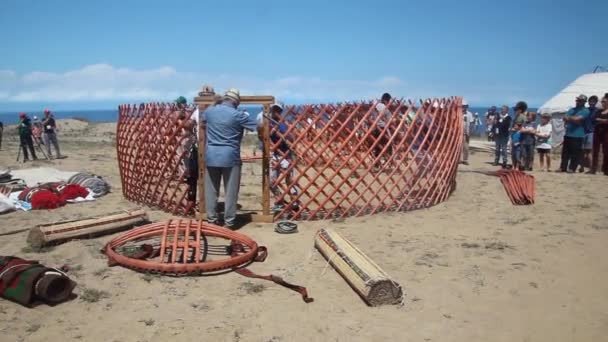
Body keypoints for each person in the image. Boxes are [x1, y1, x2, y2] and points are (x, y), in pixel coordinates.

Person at [201, 88, 257, 228]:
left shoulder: (210, 111)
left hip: (211, 155)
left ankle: (212, 220)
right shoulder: (238, 115)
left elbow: (203, 122)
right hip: (230, 157)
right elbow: (257, 126)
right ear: (236, 101)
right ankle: (229, 222)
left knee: (211, 190)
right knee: (231, 191)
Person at [256, 102, 300, 212]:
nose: (275, 111)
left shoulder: (282, 123)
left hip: (285, 155)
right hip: (273, 155)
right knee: (271, 181)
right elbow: (260, 134)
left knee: (289, 180)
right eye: (274, 109)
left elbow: (291, 138)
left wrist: (281, 133)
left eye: (278, 110)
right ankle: (280, 200)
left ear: (280, 111)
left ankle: (295, 203)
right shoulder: (266, 122)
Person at [558, 95, 590, 173]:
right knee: (565, 152)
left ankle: (572, 168)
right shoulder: (571, 109)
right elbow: (565, 118)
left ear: (584, 102)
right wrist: (573, 119)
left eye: (580, 101)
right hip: (568, 133)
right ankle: (563, 167)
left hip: (578, 135)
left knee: (575, 153)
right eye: (577, 100)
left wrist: (571, 119)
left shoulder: (585, 111)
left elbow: (579, 119)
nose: (578, 102)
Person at [371, 93, 392, 170]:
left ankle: (377, 163)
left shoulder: (375, 106)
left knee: (377, 147)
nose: (389, 102)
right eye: (389, 100)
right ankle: (386, 162)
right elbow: (390, 119)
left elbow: (372, 116)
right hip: (383, 128)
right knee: (388, 145)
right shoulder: (385, 108)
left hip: (376, 128)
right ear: (386, 100)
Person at [588, 95, 608, 175]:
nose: (603, 103)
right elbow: (593, 119)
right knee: (595, 151)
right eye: (602, 101)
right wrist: (603, 120)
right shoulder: (598, 111)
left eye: (604, 101)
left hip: (606, 132)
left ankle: (606, 170)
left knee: (606, 151)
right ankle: (593, 169)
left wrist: (601, 120)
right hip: (597, 132)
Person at [580, 95, 599, 172]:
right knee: (581, 151)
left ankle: (591, 168)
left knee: (589, 151)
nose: (592, 103)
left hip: (591, 132)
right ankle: (581, 167)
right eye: (590, 101)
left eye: (593, 101)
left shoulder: (597, 111)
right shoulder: (585, 110)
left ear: (596, 102)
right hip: (583, 131)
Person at [461, 99, 473, 165]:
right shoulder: (457, 113)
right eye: (462, 106)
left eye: (465, 106)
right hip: (458, 133)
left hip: (466, 133)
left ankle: (465, 159)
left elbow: (471, 123)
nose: (463, 107)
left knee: (466, 147)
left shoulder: (469, 114)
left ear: (467, 106)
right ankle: (458, 159)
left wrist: (470, 132)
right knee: (458, 147)